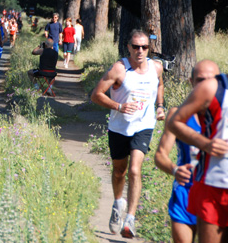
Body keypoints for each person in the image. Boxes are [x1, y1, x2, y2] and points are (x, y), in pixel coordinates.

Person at [91, 29, 165, 238]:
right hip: (119, 127)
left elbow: (159, 85)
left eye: (144, 47)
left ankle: (130, 219)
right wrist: (118, 106)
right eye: (136, 47)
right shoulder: (119, 69)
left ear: (148, 48)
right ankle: (117, 203)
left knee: (134, 170)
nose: (140, 51)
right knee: (119, 171)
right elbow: (96, 95)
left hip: (144, 126)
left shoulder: (156, 67)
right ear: (128, 47)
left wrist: (160, 106)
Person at [155, 60, 220, 243]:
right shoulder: (178, 115)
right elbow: (160, 155)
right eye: (200, 80)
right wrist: (175, 170)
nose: (206, 85)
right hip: (185, 194)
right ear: (191, 82)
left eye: (212, 80)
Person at [168, 64, 228, 243]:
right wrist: (206, 144)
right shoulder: (214, 88)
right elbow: (173, 123)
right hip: (212, 186)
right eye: (199, 79)